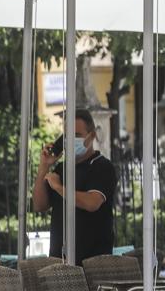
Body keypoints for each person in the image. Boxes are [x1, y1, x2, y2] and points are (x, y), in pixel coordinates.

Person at [32, 108, 116, 265]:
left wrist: (59, 188)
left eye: (77, 136)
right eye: (67, 136)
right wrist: (44, 167)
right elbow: (39, 204)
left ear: (91, 136)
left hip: (93, 263)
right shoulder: (61, 169)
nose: (71, 140)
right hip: (60, 261)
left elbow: (92, 202)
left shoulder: (102, 167)